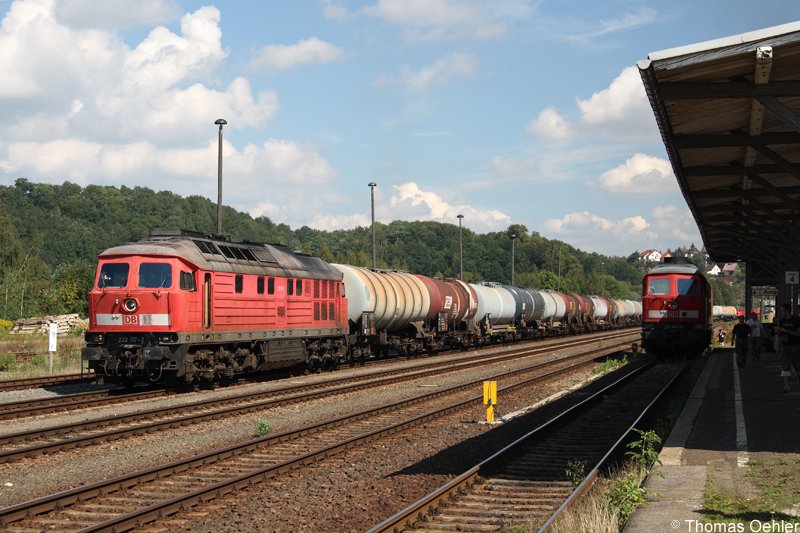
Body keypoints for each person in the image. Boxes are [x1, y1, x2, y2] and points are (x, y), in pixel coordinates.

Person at [775, 303, 800, 392]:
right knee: (785, 366)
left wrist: (785, 330)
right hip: (784, 346)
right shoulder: (782, 321)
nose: (781, 312)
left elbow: (798, 333)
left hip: (795, 346)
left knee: (797, 366)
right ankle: (786, 386)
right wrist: (778, 331)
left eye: (782, 310)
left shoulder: (796, 320)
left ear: (787, 310)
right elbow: (779, 333)